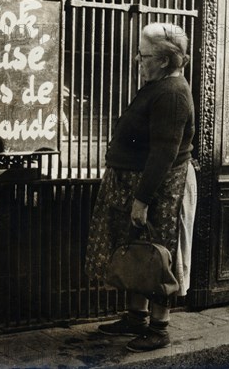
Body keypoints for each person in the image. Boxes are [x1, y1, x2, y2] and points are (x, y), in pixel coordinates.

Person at [85, 22, 196, 352]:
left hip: (161, 189)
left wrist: (142, 200)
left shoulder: (173, 93)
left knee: (158, 254)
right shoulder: (157, 85)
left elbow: (165, 152)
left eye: (143, 55)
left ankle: (159, 328)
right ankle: (136, 318)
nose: (137, 60)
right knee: (137, 251)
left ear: (162, 60)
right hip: (137, 184)